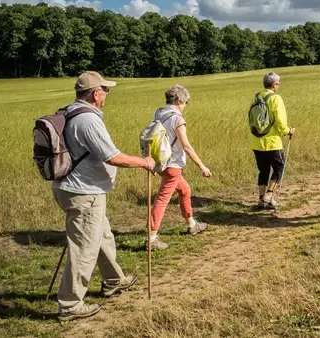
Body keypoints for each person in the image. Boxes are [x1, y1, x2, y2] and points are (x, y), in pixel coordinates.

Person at [52, 71, 156, 321]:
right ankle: (70, 304)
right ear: (96, 93)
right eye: (105, 90)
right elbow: (113, 157)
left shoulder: (70, 111)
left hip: (80, 189)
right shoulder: (88, 120)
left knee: (102, 236)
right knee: (85, 248)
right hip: (83, 192)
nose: (107, 94)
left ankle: (113, 280)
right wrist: (145, 162)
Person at [148, 84, 211, 250]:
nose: (185, 106)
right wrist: (202, 166)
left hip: (161, 163)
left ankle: (192, 224)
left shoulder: (158, 113)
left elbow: (151, 138)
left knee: (184, 190)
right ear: (179, 100)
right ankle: (152, 238)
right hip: (173, 165)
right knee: (162, 200)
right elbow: (187, 146)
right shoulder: (177, 119)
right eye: (185, 102)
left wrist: (151, 161)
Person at [250, 72, 295, 210]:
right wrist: (288, 131)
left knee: (263, 170)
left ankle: (261, 200)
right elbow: (281, 121)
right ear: (274, 85)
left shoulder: (257, 97)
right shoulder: (276, 98)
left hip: (257, 141)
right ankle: (269, 195)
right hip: (272, 142)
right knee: (279, 167)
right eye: (278, 84)